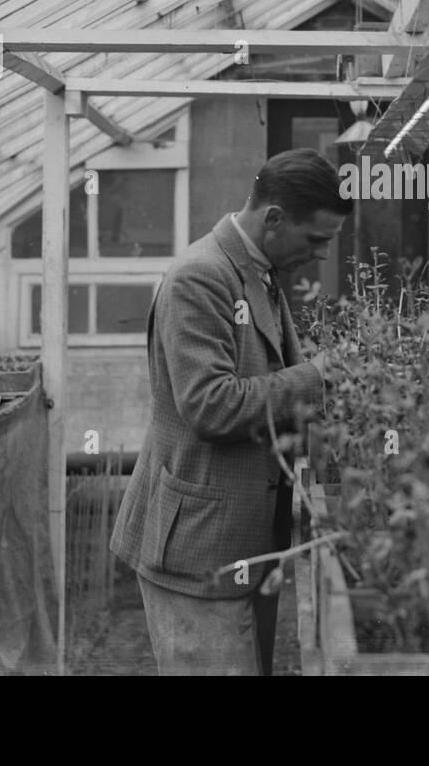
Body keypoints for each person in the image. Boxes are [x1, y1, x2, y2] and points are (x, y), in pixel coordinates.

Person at [110, 148, 351, 675]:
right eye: (316, 240)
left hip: (240, 539)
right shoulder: (200, 278)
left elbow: (261, 371)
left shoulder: (255, 270)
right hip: (199, 548)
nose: (322, 255)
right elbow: (211, 406)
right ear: (274, 219)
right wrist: (320, 376)